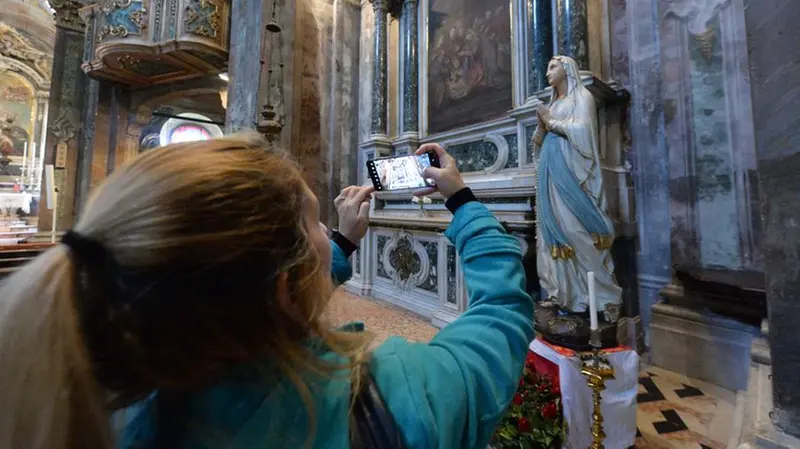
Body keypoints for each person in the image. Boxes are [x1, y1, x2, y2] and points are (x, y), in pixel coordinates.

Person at [0, 133, 534, 449]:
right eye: (318, 224)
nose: (327, 234)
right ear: (285, 287)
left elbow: (256, 302)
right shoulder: (397, 396)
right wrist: (462, 199)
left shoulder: (112, 406)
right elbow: (500, 319)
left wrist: (344, 242)